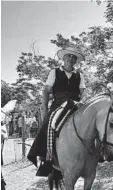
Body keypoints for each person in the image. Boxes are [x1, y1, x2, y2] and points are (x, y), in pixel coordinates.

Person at [27, 46, 86, 175]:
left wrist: (83, 101)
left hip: (75, 104)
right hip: (59, 104)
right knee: (48, 123)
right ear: (63, 59)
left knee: (91, 122)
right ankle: (45, 157)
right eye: (68, 56)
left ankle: (96, 154)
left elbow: (83, 92)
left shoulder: (79, 75)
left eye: (73, 57)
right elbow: (46, 90)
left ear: (76, 61)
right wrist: (45, 108)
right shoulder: (54, 72)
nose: (71, 59)